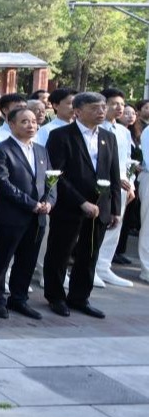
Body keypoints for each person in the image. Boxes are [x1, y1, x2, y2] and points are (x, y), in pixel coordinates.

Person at [44, 91, 123, 319]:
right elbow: (56, 174)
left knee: (89, 254)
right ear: (78, 111)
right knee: (60, 253)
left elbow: (113, 173)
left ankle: (80, 297)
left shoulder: (108, 137)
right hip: (70, 206)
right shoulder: (61, 136)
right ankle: (56, 297)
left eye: (103, 107)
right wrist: (81, 202)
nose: (101, 112)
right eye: (94, 108)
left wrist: (115, 209)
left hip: (100, 206)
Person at [0, 106, 54, 320]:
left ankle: (19, 298)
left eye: (33, 121)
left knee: (28, 259)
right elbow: (3, 182)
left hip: (38, 216)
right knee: (2, 259)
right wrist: (31, 204)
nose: (31, 125)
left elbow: (51, 180)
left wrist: (49, 202)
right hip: (11, 215)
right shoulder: (1, 150)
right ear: (11, 124)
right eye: (24, 121)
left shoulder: (41, 150)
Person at [94, 88, 136, 288]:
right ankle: (92, 267)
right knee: (99, 226)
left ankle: (104, 266)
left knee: (115, 226)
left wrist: (130, 183)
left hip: (122, 186)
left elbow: (127, 160)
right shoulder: (96, 129)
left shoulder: (123, 131)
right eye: (114, 103)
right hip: (103, 185)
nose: (119, 108)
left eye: (122, 104)